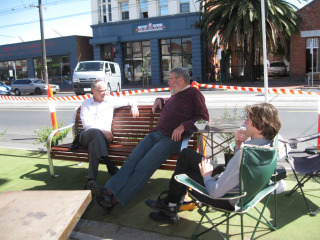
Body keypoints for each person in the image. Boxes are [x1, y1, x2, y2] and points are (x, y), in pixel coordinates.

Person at [87, 67, 209, 213]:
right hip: (155, 135)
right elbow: (172, 102)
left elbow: (204, 119)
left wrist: (184, 126)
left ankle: (114, 201)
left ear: (180, 80)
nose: (168, 82)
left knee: (143, 166)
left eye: (171, 79)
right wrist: (160, 99)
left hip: (170, 140)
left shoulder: (194, 93)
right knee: (131, 161)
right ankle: (107, 192)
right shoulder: (175, 94)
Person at [145, 102, 281, 223]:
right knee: (185, 155)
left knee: (184, 171)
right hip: (243, 191)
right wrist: (238, 145)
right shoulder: (270, 146)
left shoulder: (244, 155)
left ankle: (170, 208)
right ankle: (171, 205)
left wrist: (206, 175)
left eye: (248, 119)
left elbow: (215, 192)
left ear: (261, 125)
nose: (244, 123)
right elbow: (241, 169)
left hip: (226, 198)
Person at [80, 80, 139, 183]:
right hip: (86, 135)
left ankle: (91, 180)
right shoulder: (86, 103)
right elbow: (86, 124)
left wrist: (134, 106)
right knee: (95, 132)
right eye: (102, 91)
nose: (105, 93)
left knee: (94, 144)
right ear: (94, 91)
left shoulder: (110, 100)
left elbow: (131, 101)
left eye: (106, 90)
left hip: (102, 139)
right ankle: (108, 162)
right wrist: (103, 131)